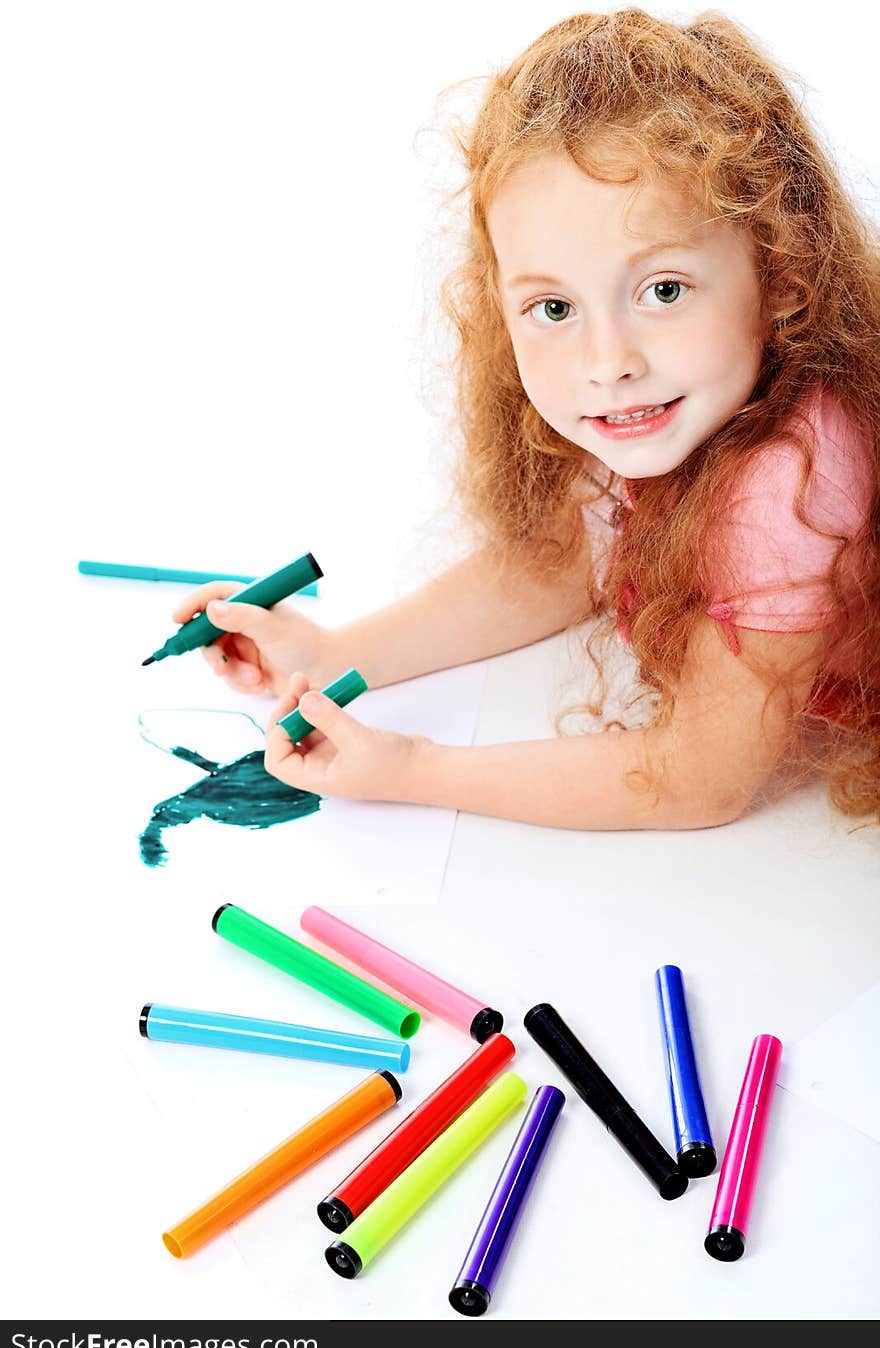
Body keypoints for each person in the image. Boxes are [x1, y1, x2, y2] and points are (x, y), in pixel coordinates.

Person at [172, 8, 879, 831]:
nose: (606, 360)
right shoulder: (663, 406)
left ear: (784, 273)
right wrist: (334, 655)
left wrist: (410, 767)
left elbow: (696, 779)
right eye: (553, 307)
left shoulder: (793, 477)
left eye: (664, 291)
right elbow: (558, 566)